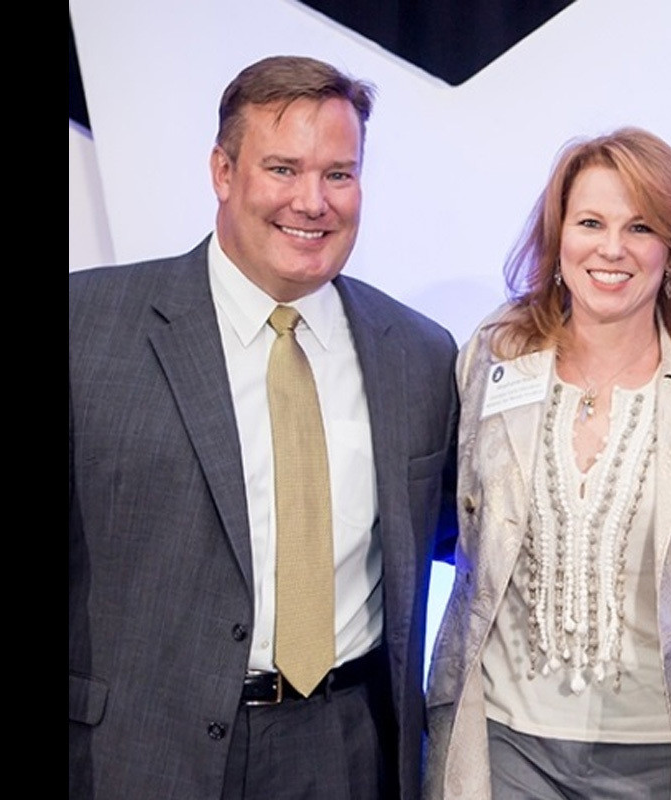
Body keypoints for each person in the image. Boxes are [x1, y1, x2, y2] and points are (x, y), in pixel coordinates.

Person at [68, 55, 459, 800]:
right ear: (223, 171)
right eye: (283, 168)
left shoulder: (418, 352)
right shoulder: (87, 327)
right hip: (140, 754)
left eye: (339, 174)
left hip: (350, 749)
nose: (312, 201)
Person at [423, 127, 671, 799]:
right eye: (590, 222)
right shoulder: (494, 353)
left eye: (641, 227)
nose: (612, 248)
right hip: (502, 746)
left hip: (659, 755)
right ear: (557, 236)